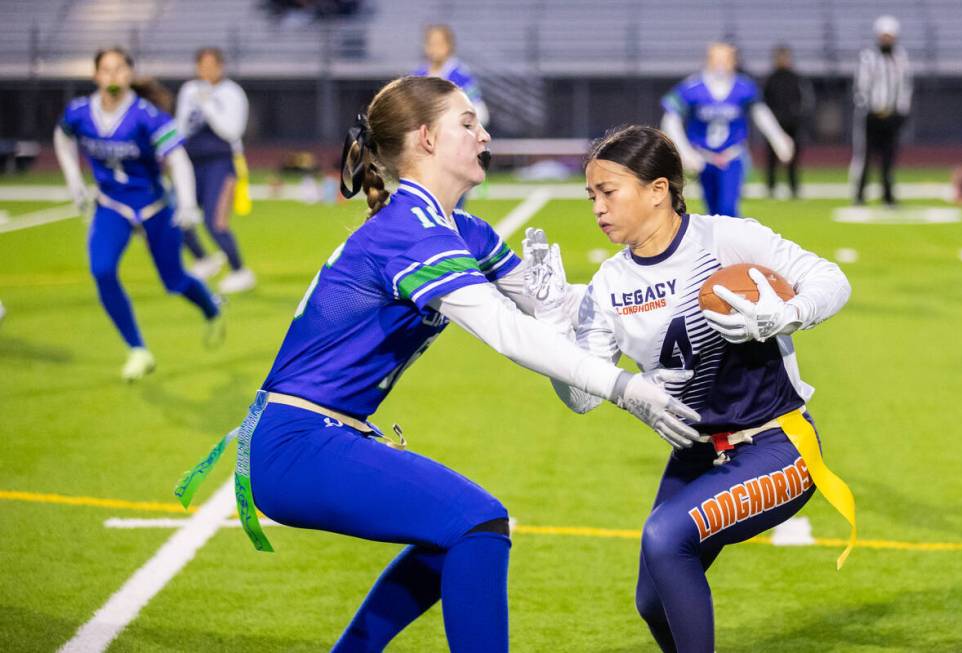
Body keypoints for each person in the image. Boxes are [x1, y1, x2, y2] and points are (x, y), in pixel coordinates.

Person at [175, 77, 700, 652]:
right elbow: (504, 330)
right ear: (426, 138)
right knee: (478, 523)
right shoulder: (410, 233)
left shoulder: (460, 230)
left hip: (315, 435)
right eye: (468, 123)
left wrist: (674, 293)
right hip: (294, 444)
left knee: (451, 532)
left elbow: (556, 303)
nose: (485, 134)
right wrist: (625, 386)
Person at [522, 125, 857, 653]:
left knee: (665, 537)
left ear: (658, 190)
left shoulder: (724, 239)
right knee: (652, 603)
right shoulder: (609, 284)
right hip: (697, 453)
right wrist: (550, 331)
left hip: (776, 447)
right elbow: (582, 397)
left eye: (608, 192)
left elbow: (833, 281)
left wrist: (783, 316)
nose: (597, 208)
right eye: (592, 196)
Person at [55, 47, 223, 382]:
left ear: (129, 74)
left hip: (153, 206)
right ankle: (137, 349)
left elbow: (177, 159)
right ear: (95, 75)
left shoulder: (147, 115)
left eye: (120, 69)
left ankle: (210, 306)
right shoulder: (79, 112)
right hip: (112, 205)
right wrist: (74, 181)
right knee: (102, 270)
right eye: (106, 69)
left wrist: (188, 204)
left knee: (174, 281)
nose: (113, 76)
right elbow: (62, 136)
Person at [661, 43, 795, 217]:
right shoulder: (692, 87)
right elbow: (670, 119)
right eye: (716, 59)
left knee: (727, 209)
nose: (721, 65)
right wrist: (685, 152)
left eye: (726, 60)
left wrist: (778, 138)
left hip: (732, 156)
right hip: (704, 157)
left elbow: (760, 113)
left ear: (734, 61)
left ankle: (732, 243)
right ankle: (718, 243)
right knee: (712, 210)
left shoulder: (743, 87)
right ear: (708, 60)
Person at [175, 47, 256, 292]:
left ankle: (240, 271)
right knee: (178, 216)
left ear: (221, 66)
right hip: (190, 163)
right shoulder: (189, 90)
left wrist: (208, 105)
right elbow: (181, 128)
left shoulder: (232, 93)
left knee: (215, 221)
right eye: (202, 65)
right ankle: (203, 260)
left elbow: (231, 131)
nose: (207, 70)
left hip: (220, 164)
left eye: (212, 65)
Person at [849, 15, 913, 206]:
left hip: (892, 116)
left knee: (889, 157)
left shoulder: (901, 58)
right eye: (884, 36)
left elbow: (905, 87)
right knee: (864, 156)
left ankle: (888, 195)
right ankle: (860, 194)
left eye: (890, 36)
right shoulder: (868, 57)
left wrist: (901, 111)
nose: (887, 39)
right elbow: (861, 86)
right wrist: (866, 109)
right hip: (872, 115)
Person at [413, 24, 489, 126]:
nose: (435, 48)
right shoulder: (418, 76)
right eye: (431, 44)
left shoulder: (461, 77)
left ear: (449, 45)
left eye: (439, 44)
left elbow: (480, 112)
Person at [763, 45, 813, 199]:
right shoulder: (771, 79)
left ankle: (793, 187)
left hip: (792, 124)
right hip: (775, 125)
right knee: (771, 157)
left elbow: (803, 100)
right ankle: (771, 187)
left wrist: (797, 117)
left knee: (793, 157)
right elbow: (765, 102)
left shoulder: (796, 78)